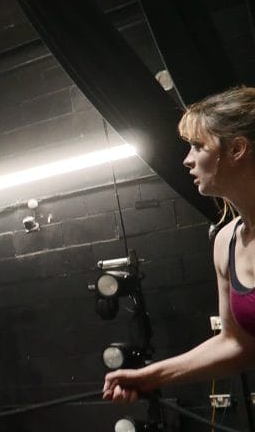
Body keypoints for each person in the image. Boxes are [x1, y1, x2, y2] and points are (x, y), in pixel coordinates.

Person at [104, 86, 255, 403]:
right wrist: (150, 377)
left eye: (198, 146)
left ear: (237, 149)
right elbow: (236, 344)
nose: (187, 160)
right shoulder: (226, 242)